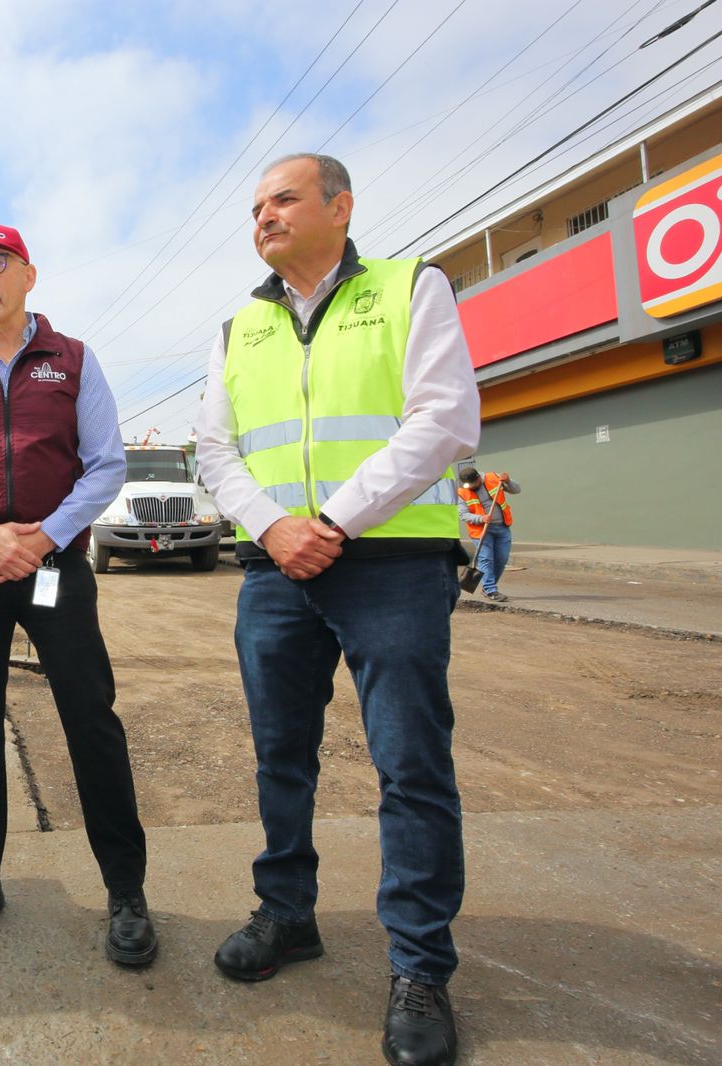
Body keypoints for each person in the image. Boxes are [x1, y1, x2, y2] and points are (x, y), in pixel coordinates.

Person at [195, 154, 480, 1066]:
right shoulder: (239, 325)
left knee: (410, 765)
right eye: (255, 207)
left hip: (390, 561)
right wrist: (280, 530)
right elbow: (215, 450)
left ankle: (420, 967)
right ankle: (288, 914)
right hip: (276, 569)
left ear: (340, 205)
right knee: (282, 759)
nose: (265, 216)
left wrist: (334, 521)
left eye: (282, 198)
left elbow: (443, 419)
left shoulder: (411, 288)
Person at [0, 224, 156, 966]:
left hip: (52, 569)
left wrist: (39, 540)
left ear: (29, 275)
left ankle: (126, 892)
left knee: (89, 718)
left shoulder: (73, 360)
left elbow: (106, 465)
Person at [458, 466, 520, 602]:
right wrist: (481, 518)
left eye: (473, 484)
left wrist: (508, 481)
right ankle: (490, 589)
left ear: (479, 478)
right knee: (486, 559)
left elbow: (517, 490)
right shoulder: (462, 492)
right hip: (481, 531)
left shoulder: (494, 478)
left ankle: (487, 587)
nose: (471, 487)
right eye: (468, 485)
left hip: (502, 527)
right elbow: (463, 514)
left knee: (501, 559)